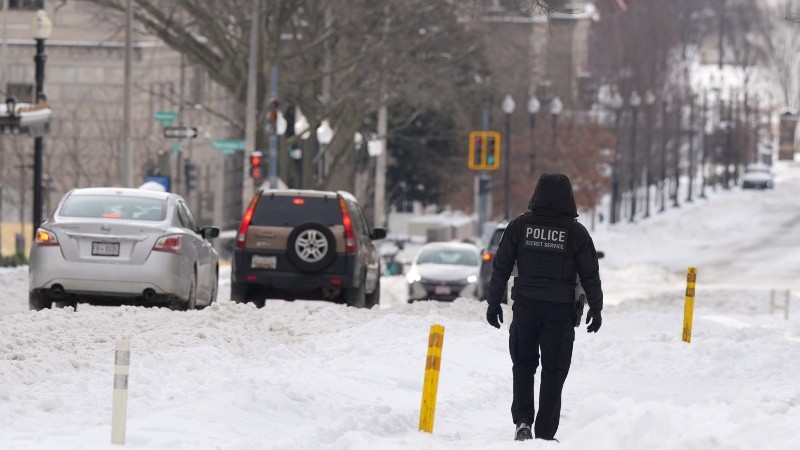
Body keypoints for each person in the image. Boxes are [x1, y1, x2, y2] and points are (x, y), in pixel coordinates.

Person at [485, 172, 603, 442]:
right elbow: (590, 274)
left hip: (526, 307)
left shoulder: (519, 227)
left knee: (523, 365)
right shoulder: (576, 233)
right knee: (554, 371)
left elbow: (501, 266)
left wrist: (494, 302)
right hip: (560, 312)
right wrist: (596, 308)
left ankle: (523, 422)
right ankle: (546, 435)